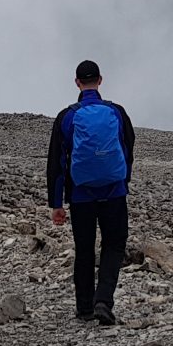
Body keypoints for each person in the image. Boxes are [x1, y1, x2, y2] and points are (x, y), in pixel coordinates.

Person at [46, 59, 135, 326]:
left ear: (77, 83)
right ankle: (103, 300)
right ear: (100, 80)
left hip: (81, 195)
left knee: (84, 248)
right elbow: (128, 150)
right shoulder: (116, 112)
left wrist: (56, 202)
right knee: (114, 245)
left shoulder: (68, 116)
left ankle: (84, 307)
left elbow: (57, 162)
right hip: (114, 191)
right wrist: (123, 181)